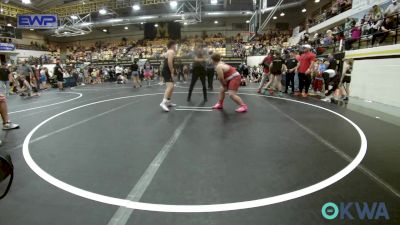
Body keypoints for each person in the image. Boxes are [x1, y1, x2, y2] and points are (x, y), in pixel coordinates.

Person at [159, 40, 177, 112]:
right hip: (167, 71)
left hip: (166, 70)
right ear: (172, 45)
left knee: (172, 87)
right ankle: (163, 103)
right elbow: (169, 62)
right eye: (175, 45)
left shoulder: (168, 51)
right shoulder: (171, 51)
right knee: (170, 86)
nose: (176, 47)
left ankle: (168, 102)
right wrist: (172, 71)